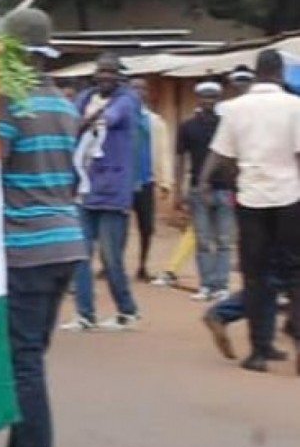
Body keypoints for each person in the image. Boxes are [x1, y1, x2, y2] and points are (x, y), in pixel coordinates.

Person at [0, 8, 86, 447]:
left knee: (22, 361)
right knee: (28, 357)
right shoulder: (63, 104)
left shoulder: (9, 102)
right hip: (64, 241)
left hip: (25, 247)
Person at [199, 49, 300, 373]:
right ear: (280, 73)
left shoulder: (235, 109)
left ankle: (258, 352)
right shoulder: (294, 106)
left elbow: (221, 155)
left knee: (256, 277)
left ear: (257, 73)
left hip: (251, 200)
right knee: (295, 275)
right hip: (288, 198)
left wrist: (207, 181)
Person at [66, 54, 142, 330]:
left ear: (119, 76)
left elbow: (110, 118)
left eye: (111, 73)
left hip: (113, 190)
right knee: (80, 255)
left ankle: (127, 310)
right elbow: (69, 120)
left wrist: (87, 121)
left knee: (111, 259)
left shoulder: (126, 100)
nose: (105, 77)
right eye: (101, 72)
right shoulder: (85, 97)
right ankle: (85, 314)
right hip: (85, 189)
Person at [176, 81, 235, 300]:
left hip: (225, 189)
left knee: (224, 240)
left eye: (212, 97)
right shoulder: (187, 127)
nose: (209, 101)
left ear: (218, 99)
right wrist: (178, 188)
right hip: (197, 190)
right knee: (202, 239)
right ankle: (206, 284)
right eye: (205, 97)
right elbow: (180, 158)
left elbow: (233, 158)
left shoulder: (226, 125)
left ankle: (221, 285)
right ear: (198, 99)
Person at [128, 77, 173, 281]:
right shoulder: (119, 117)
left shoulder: (154, 121)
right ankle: (112, 264)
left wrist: (165, 181)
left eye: (142, 88)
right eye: (134, 88)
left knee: (147, 227)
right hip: (122, 182)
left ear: (147, 93)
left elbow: (163, 152)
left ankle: (142, 266)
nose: (138, 92)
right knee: (117, 227)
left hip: (146, 181)